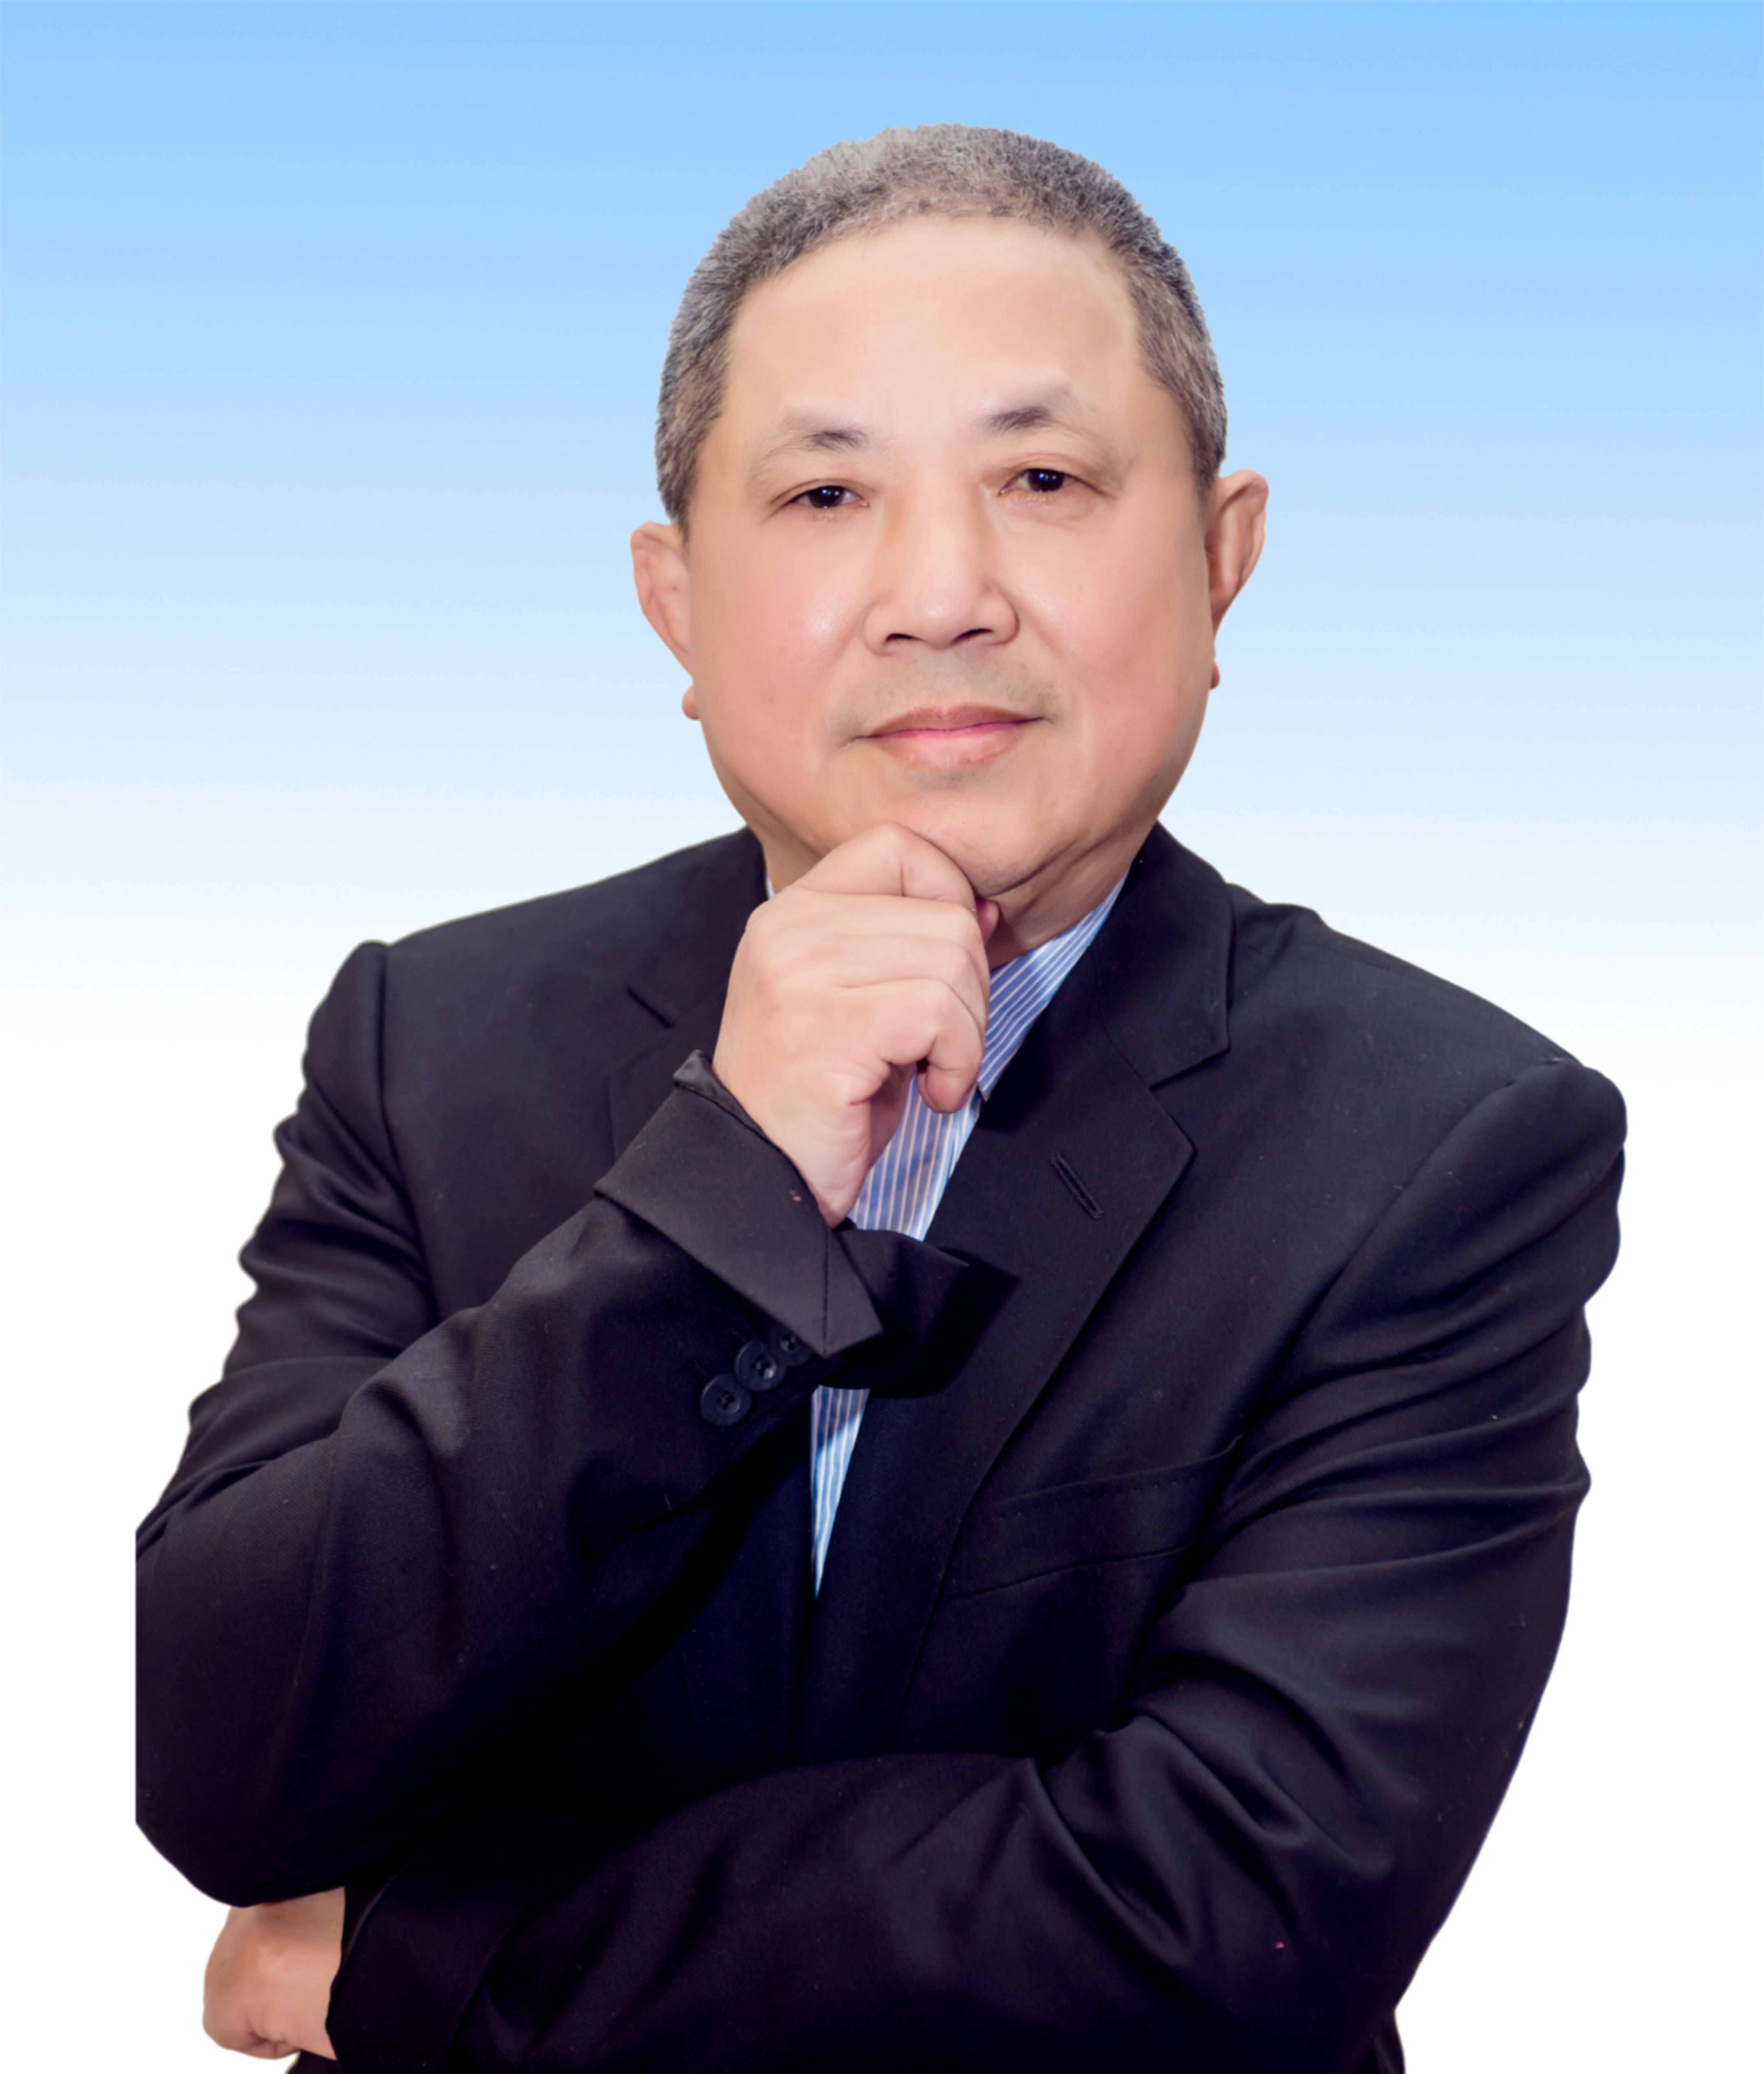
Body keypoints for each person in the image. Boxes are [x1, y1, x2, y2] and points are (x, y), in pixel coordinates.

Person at [138, 126, 1624, 2074]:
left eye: (1043, 479)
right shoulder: (432, 1042)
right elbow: (219, 1749)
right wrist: (721, 1195)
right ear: (675, 600)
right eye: (828, 490)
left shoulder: (1445, 1142)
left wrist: (438, 1953)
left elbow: (1221, 1915)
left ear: (1221, 556)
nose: (941, 592)